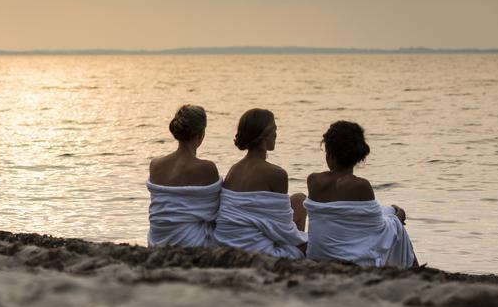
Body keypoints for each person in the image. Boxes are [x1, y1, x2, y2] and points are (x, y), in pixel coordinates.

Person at [304, 121, 417, 268]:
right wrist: (398, 216)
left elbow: (353, 218)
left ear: (330, 154)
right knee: (397, 227)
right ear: (358, 155)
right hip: (354, 261)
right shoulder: (360, 186)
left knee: (388, 211)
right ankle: (415, 270)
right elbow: (380, 231)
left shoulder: (313, 180)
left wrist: (393, 214)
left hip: (317, 256)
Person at [213, 108, 308, 258]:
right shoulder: (277, 174)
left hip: (227, 243)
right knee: (312, 244)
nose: (276, 134)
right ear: (264, 134)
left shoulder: (234, 169)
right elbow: (282, 228)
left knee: (300, 200)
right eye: (274, 129)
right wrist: (307, 241)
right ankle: (296, 258)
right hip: (254, 251)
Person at [146, 104, 222, 247]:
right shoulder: (206, 168)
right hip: (191, 243)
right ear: (201, 134)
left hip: (156, 241)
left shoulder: (155, 165)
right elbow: (216, 212)